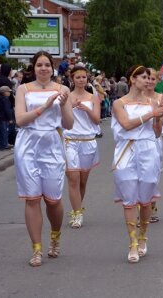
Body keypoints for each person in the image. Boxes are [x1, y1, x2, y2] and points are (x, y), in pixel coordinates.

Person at [14, 51, 73, 267]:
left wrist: (64, 104)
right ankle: (36, 249)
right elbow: (20, 120)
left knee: (53, 200)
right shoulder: (23, 89)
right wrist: (45, 106)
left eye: (47, 64)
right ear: (33, 67)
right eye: (39, 65)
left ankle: (55, 237)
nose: (43, 68)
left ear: (53, 67)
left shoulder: (62, 90)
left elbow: (69, 125)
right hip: (28, 146)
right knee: (32, 198)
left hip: (52, 146)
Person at [111, 65, 163, 263]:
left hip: (148, 150)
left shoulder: (154, 102)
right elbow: (126, 125)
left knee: (145, 200)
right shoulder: (119, 103)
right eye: (143, 77)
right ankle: (133, 243)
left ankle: (143, 237)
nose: (147, 80)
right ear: (132, 79)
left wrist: (160, 118)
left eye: (148, 77)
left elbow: (156, 132)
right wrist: (151, 114)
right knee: (129, 199)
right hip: (126, 151)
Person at [63, 65, 101, 229]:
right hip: (70, 140)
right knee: (73, 179)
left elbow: (97, 120)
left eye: (84, 77)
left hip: (88, 141)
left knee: (82, 181)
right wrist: (69, 107)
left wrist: (86, 108)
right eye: (78, 77)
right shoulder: (67, 97)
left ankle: (78, 207)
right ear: (72, 79)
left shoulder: (93, 97)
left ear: (87, 79)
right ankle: (77, 214)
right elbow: (59, 117)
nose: (81, 80)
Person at [144, 68, 163, 223]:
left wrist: (157, 118)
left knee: (153, 174)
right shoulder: (136, 97)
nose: (150, 82)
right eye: (147, 78)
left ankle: (152, 203)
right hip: (139, 140)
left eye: (153, 79)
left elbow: (160, 122)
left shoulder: (162, 98)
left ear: (157, 81)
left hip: (155, 140)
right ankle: (143, 205)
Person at [0, 86, 14, 150]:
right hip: (4, 118)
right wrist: (10, 118)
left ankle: (0, 145)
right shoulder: (5, 99)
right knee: (4, 132)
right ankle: (5, 145)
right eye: (8, 91)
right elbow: (7, 110)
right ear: (4, 92)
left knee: (0, 132)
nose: (9, 93)